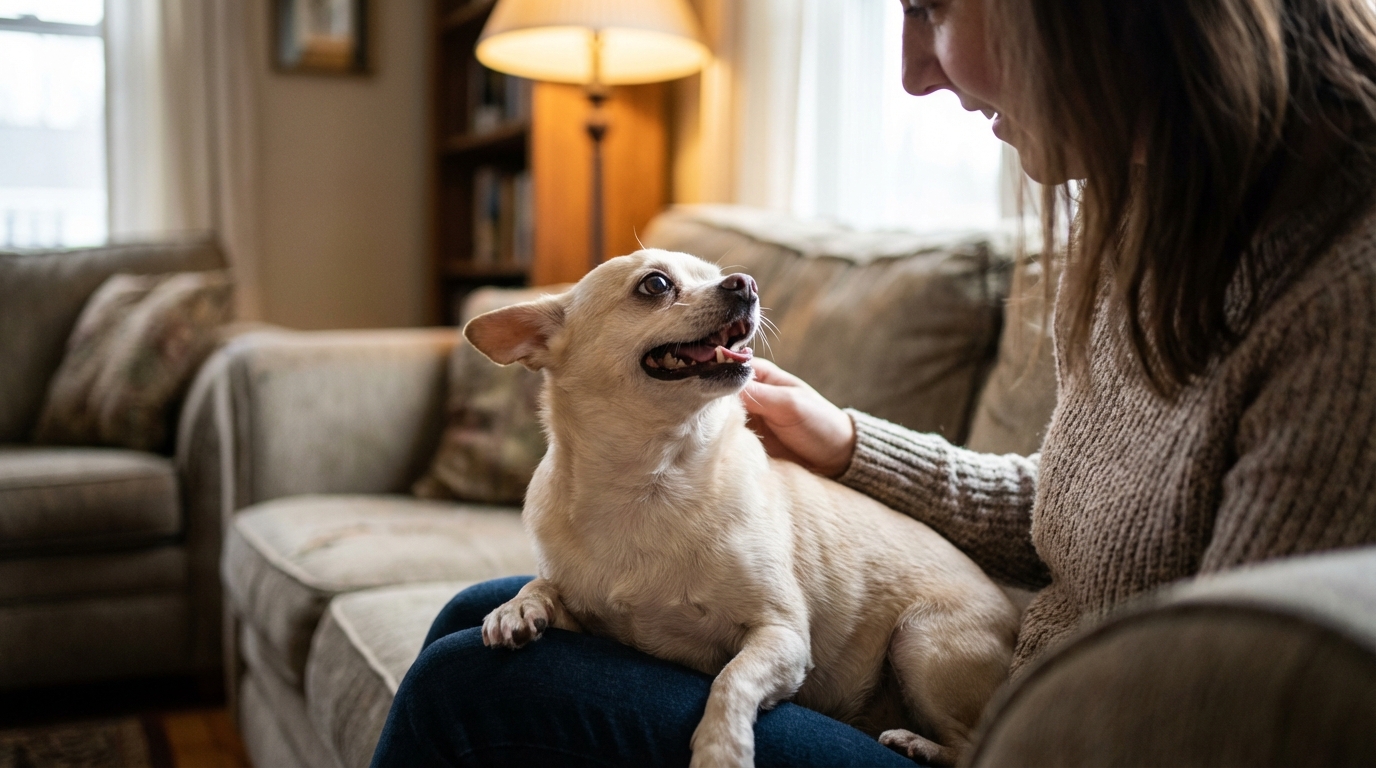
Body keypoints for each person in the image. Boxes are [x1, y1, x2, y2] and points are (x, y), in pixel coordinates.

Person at [371, 0, 1376, 764]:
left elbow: (1250, 708)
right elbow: (1091, 507)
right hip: (1013, 696)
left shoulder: (1341, 302)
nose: (908, 73)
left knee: (472, 687)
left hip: (1044, 739)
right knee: (482, 614)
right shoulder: (1153, 228)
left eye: (931, 5)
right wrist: (849, 444)